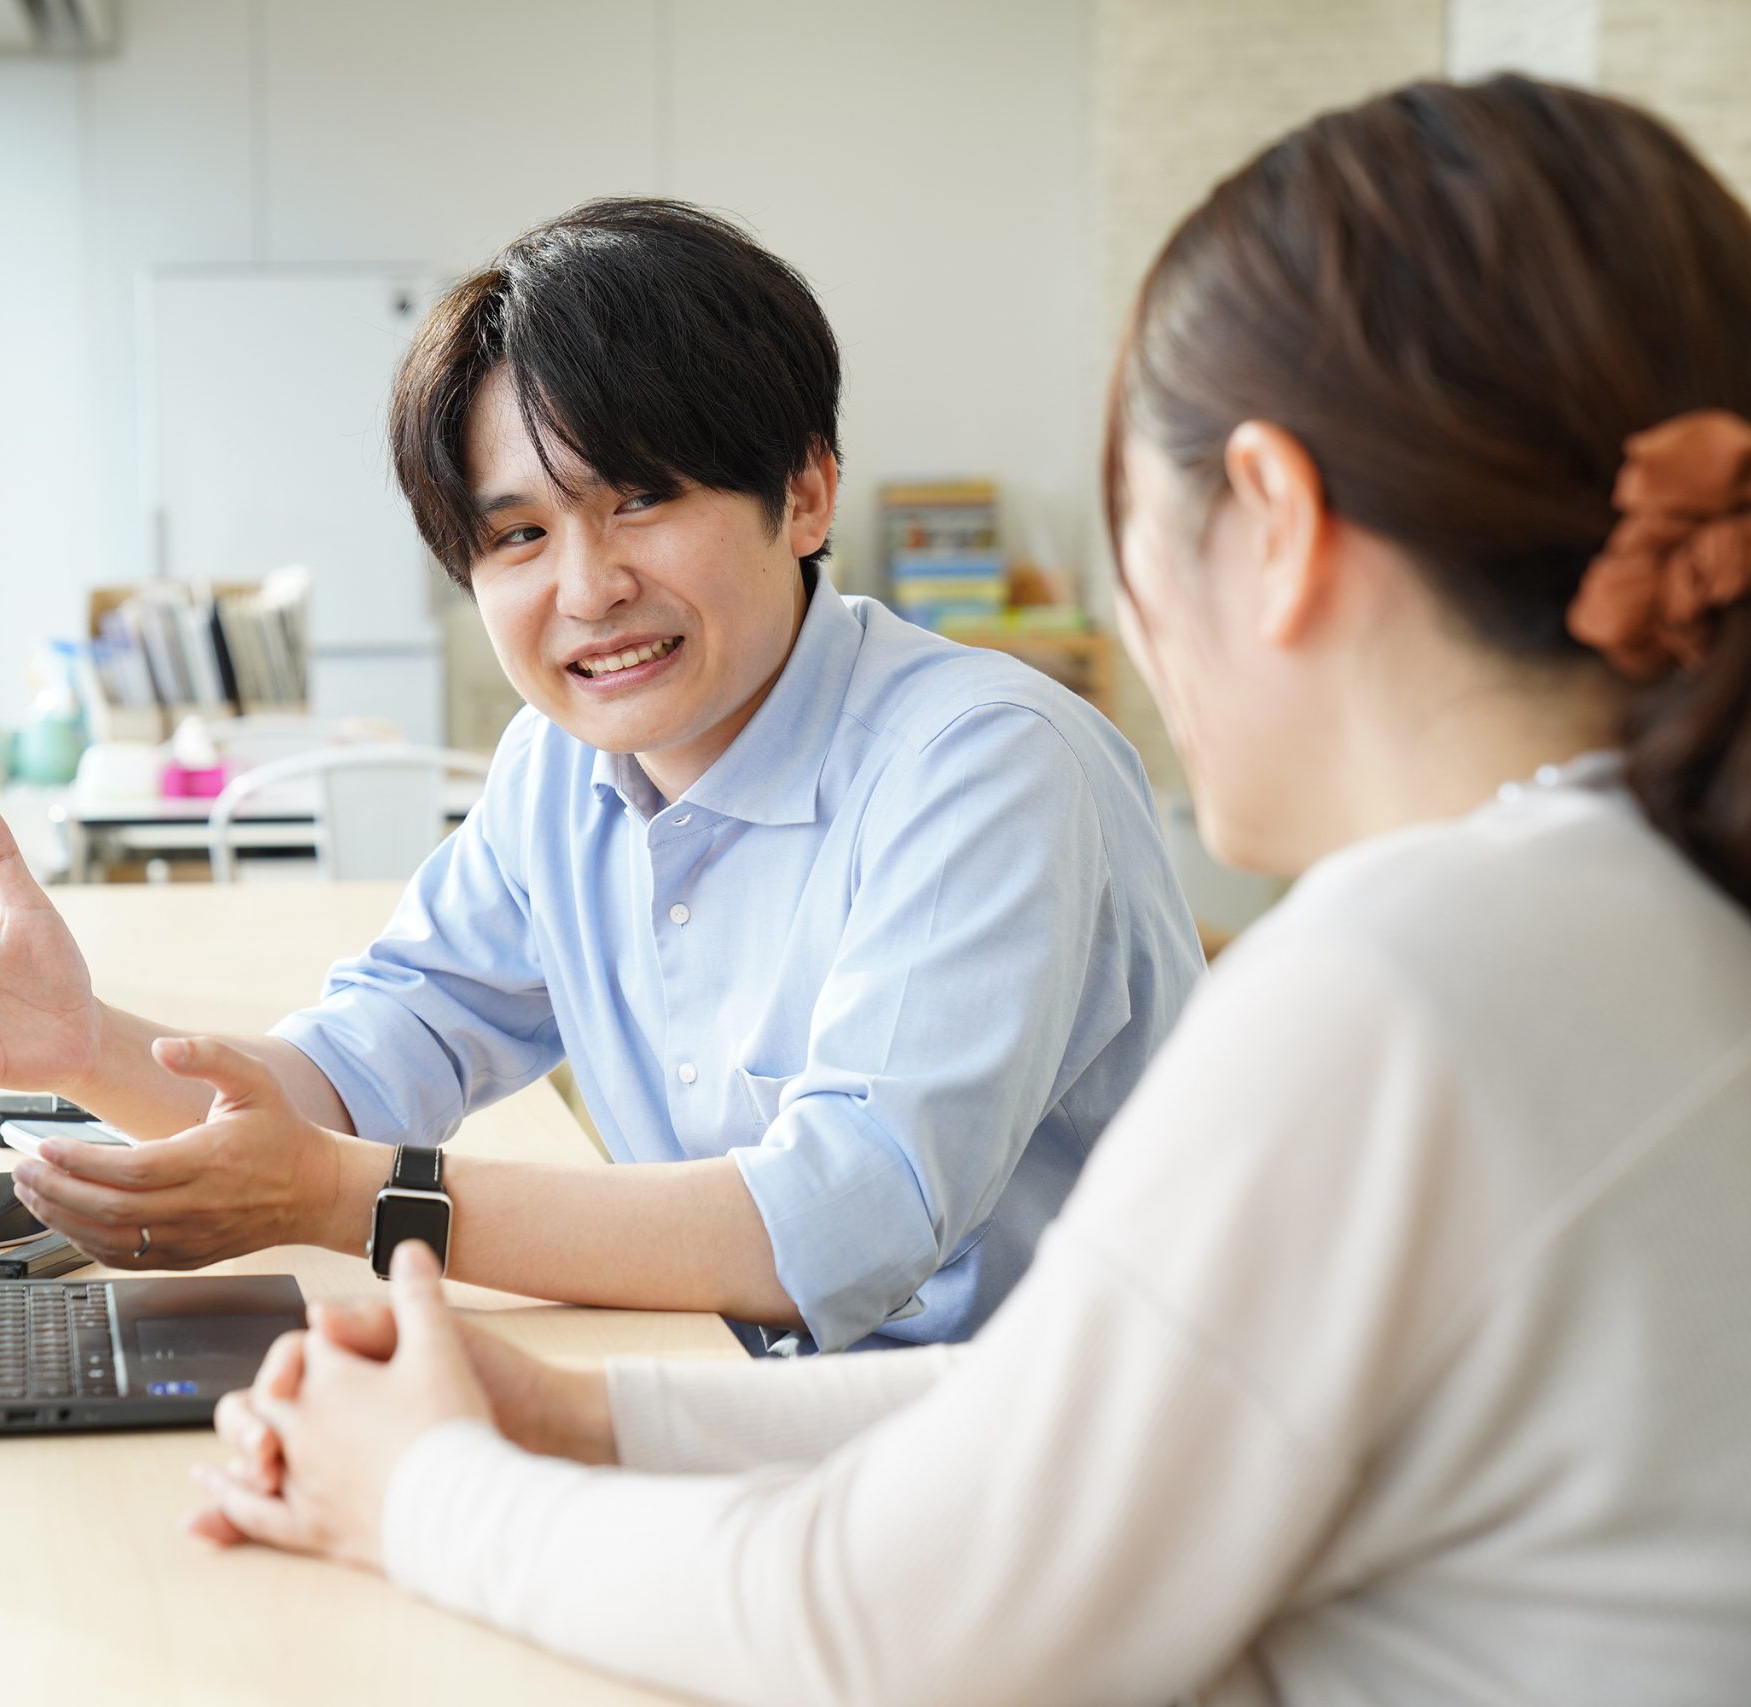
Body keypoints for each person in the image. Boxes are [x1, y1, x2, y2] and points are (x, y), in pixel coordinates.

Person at [186, 76, 1751, 1704]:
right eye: (514, 534)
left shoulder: (1409, 979)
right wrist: (576, 1414)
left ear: (1268, 522)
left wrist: (427, 1496)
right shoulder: (1635, 905)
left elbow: (898, 1632)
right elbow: (1087, 1403)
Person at [0, 199, 1201, 1351]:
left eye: (641, 498)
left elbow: (844, 1225)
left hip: (1038, 1491)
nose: (588, 587)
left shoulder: (984, 766)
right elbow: (368, 1063)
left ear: (808, 492)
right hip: (770, 1415)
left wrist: (363, 1203)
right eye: (519, 535)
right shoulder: (560, 770)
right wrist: (88, 1049)